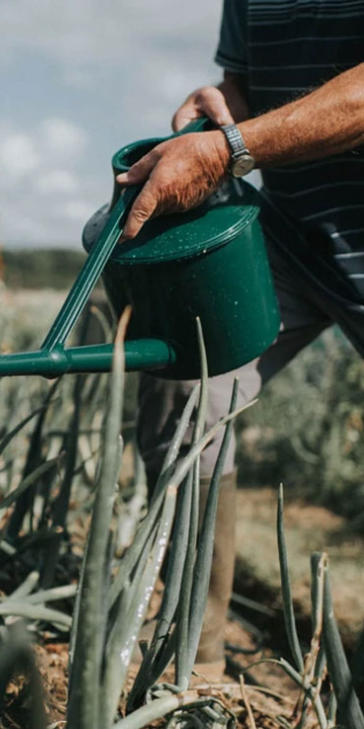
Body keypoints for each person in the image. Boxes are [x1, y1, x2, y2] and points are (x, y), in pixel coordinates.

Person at [121, 0, 364, 674]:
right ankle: (192, 663)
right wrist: (222, 106)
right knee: (190, 379)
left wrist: (227, 150)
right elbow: (249, 85)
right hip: (292, 235)